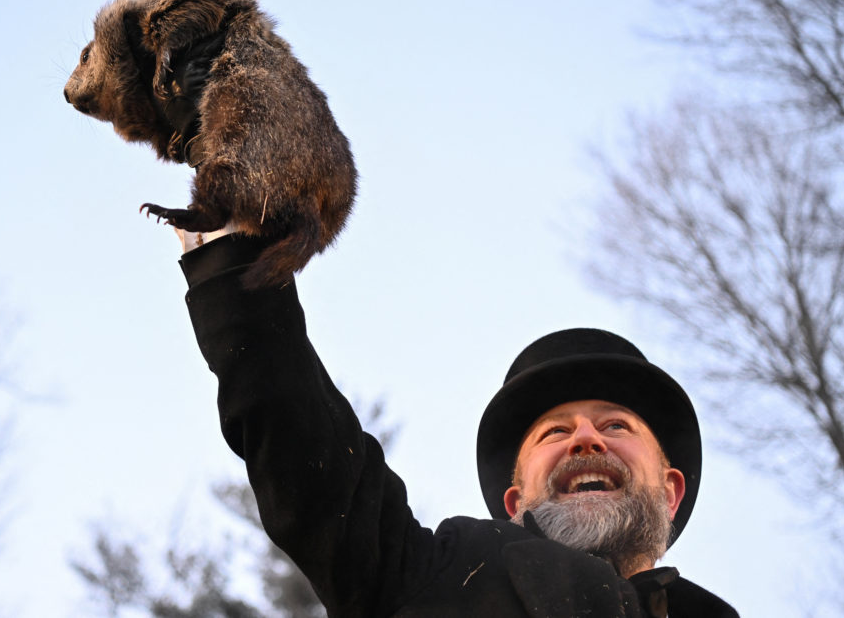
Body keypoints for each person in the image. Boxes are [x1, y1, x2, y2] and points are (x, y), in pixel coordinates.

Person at [174, 227, 739, 617]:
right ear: (515, 504)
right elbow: (313, 464)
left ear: (670, 493)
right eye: (555, 432)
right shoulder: (438, 575)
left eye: (617, 426)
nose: (587, 439)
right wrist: (237, 259)